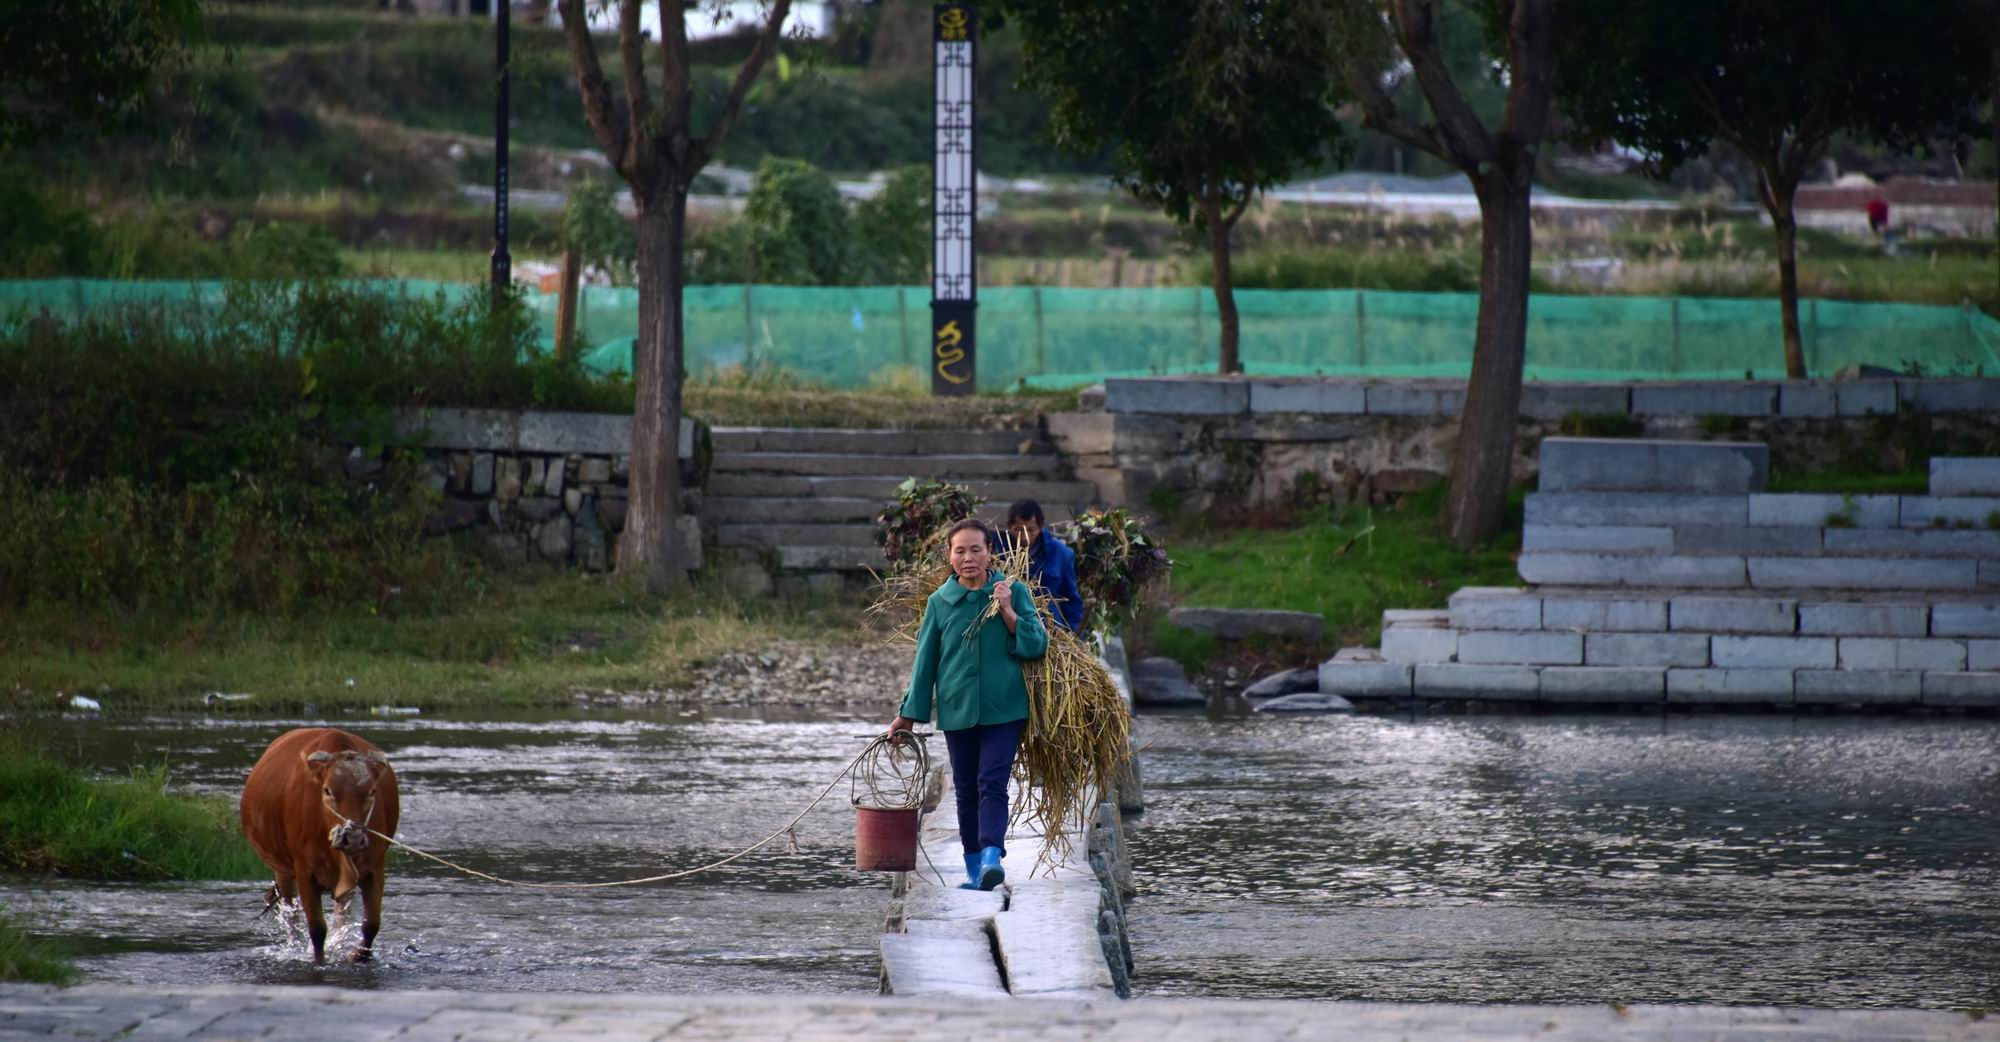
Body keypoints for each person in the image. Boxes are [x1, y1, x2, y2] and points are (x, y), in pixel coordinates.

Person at [886, 517, 1048, 891]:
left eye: (976, 549)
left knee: (992, 779)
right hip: (958, 710)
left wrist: (1007, 610)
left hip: (1004, 708)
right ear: (950, 556)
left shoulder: (1013, 591)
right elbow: (925, 663)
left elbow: (1037, 645)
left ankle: (992, 855)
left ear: (990, 553)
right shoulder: (940, 602)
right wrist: (907, 715)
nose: (969, 557)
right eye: (960, 550)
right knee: (966, 787)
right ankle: (974, 867)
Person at [1004, 499, 1085, 634]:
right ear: (1009, 527)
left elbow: (1071, 600)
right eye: (1018, 530)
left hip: (1049, 628)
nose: (1025, 537)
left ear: (1041, 527)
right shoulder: (997, 550)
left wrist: (1071, 635)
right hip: (1009, 625)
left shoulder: (1061, 554)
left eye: (1031, 530)